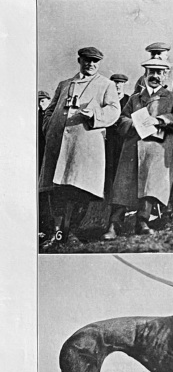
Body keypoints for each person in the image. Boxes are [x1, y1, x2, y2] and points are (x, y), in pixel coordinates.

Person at [39, 47, 121, 247]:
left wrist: (94, 115)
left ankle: (72, 232)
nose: (90, 64)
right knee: (57, 190)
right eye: (87, 60)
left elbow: (114, 110)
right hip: (58, 144)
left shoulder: (106, 84)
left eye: (95, 61)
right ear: (79, 60)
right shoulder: (65, 84)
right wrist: (49, 126)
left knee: (80, 189)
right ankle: (57, 234)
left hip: (85, 144)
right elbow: (50, 109)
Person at [105, 61, 173, 239]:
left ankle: (142, 221)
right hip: (133, 146)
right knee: (123, 185)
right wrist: (133, 124)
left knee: (151, 185)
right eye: (151, 72)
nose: (155, 76)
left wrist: (160, 120)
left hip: (158, 147)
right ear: (145, 74)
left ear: (164, 75)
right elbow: (121, 119)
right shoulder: (135, 98)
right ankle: (114, 224)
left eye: (159, 72)